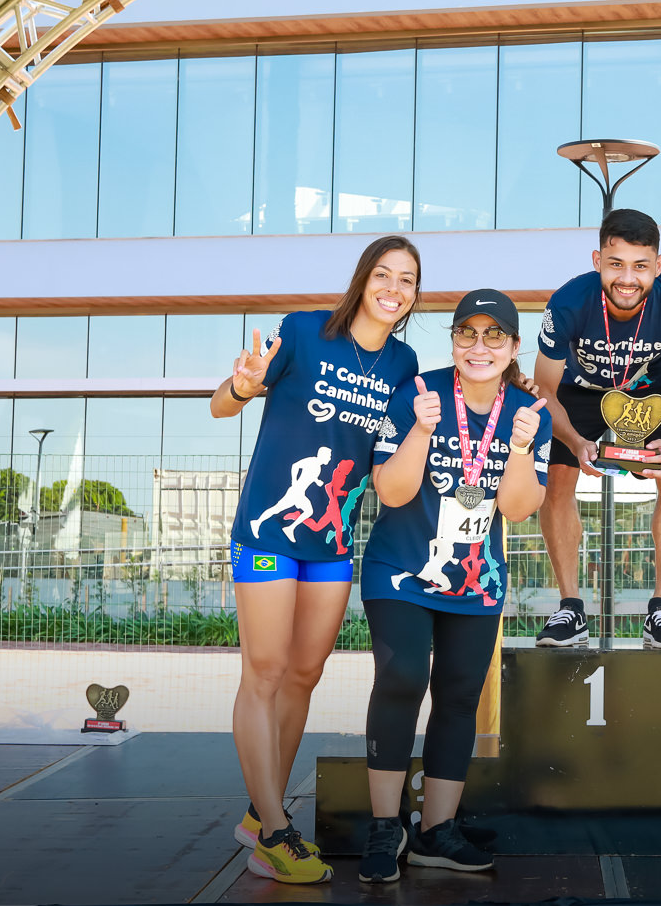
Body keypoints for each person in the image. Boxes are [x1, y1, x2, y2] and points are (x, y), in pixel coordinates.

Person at [214, 236, 421, 884]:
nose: (393, 288)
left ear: (414, 295)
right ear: (362, 279)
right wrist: (241, 385)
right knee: (265, 672)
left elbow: (392, 457)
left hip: (331, 542)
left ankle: (260, 811)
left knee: (303, 674)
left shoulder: (404, 363)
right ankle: (275, 834)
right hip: (268, 534)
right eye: (383, 274)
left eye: (407, 279)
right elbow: (220, 404)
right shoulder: (304, 332)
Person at [356, 290, 552, 884]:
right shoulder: (418, 393)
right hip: (401, 572)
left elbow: (518, 508)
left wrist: (521, 448)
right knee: (402, 679)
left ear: (514, 347)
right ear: (453, 341)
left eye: (495, 335)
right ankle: (385, 825)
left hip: (475, 581)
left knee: (459, 694)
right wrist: (420, 432)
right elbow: (390, 492)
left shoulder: (529, 411)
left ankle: (436, 831)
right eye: (468, 332)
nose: (479, 346)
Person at [533, 209, 661, 650]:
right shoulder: (568, 301)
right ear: (597, 260)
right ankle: (570, 608)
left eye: (640, 266)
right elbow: (546, 390)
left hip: (650, 387)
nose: (627, 278)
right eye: (616, 264)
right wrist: (576, 442)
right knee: (557, 476)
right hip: (579, 388)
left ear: (658, 264)